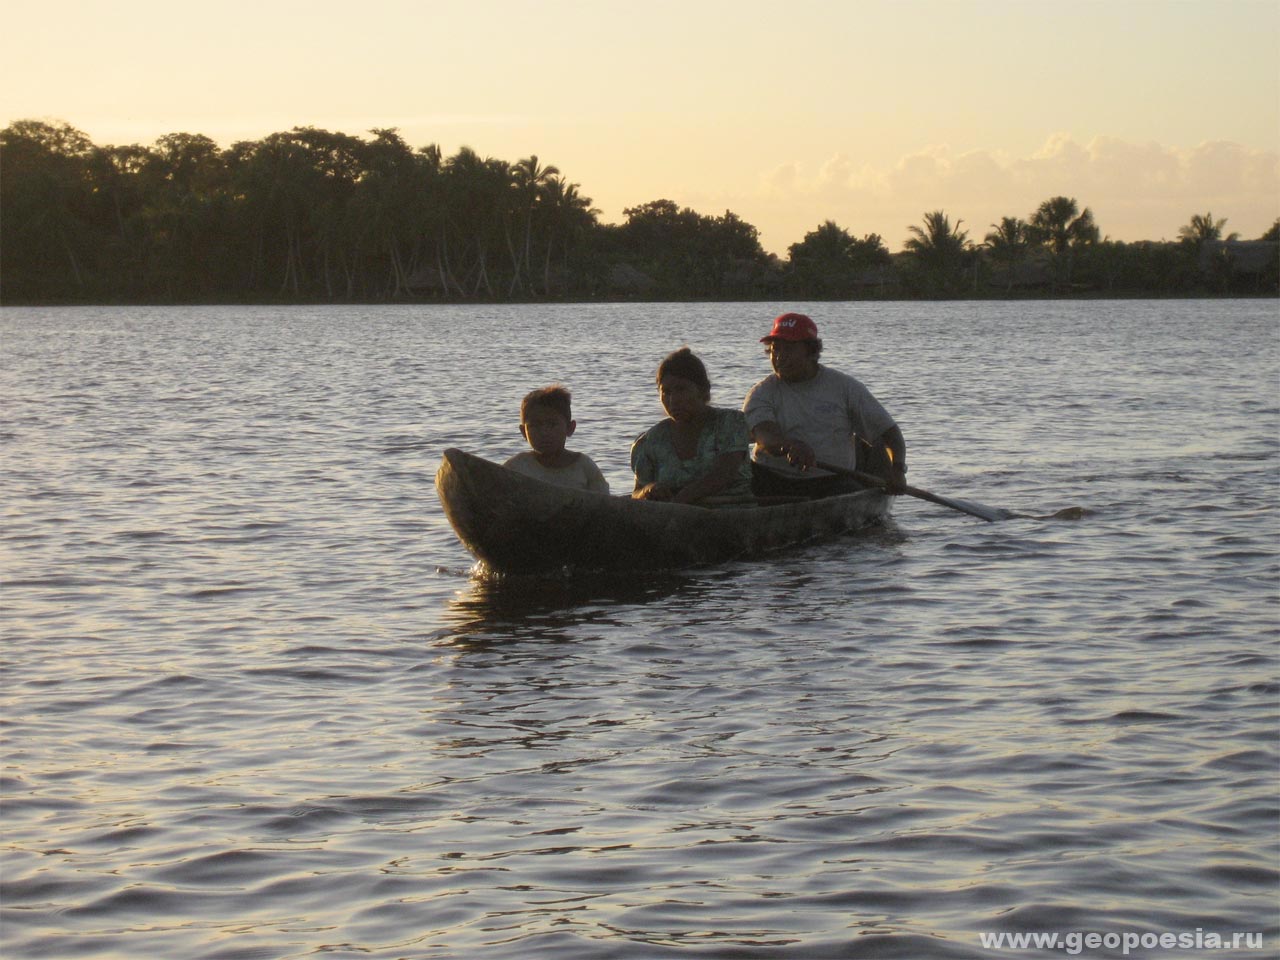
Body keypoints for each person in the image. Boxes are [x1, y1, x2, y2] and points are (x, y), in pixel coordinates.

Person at [743, 312, 906, 499]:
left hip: (831, 481)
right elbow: (765, 434)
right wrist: (790, 446)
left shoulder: (844, 387)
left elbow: (890, 433)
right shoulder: (761, 392)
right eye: (775, 349)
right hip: (772, 479)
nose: (779, 358)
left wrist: (898, 470)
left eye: (789, 349)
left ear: (811, 352)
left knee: (868, 458)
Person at [631, 347, 752, 504]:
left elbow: (723, 475)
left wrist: (679, 501)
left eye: (681, 389)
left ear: (703, 391)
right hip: (672, 520)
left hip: (730, 513)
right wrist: (649, 491)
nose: (673, 400)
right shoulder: (650, 441)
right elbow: (636, 493)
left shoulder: (730, 424)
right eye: (666, 392)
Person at [504, 385, 610, 493]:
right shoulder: (517, 467)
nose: (544, 432)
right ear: (523, 432)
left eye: (552, 424)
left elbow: (605, 502)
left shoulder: (584, 466)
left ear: (570, 428)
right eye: (535, 425)